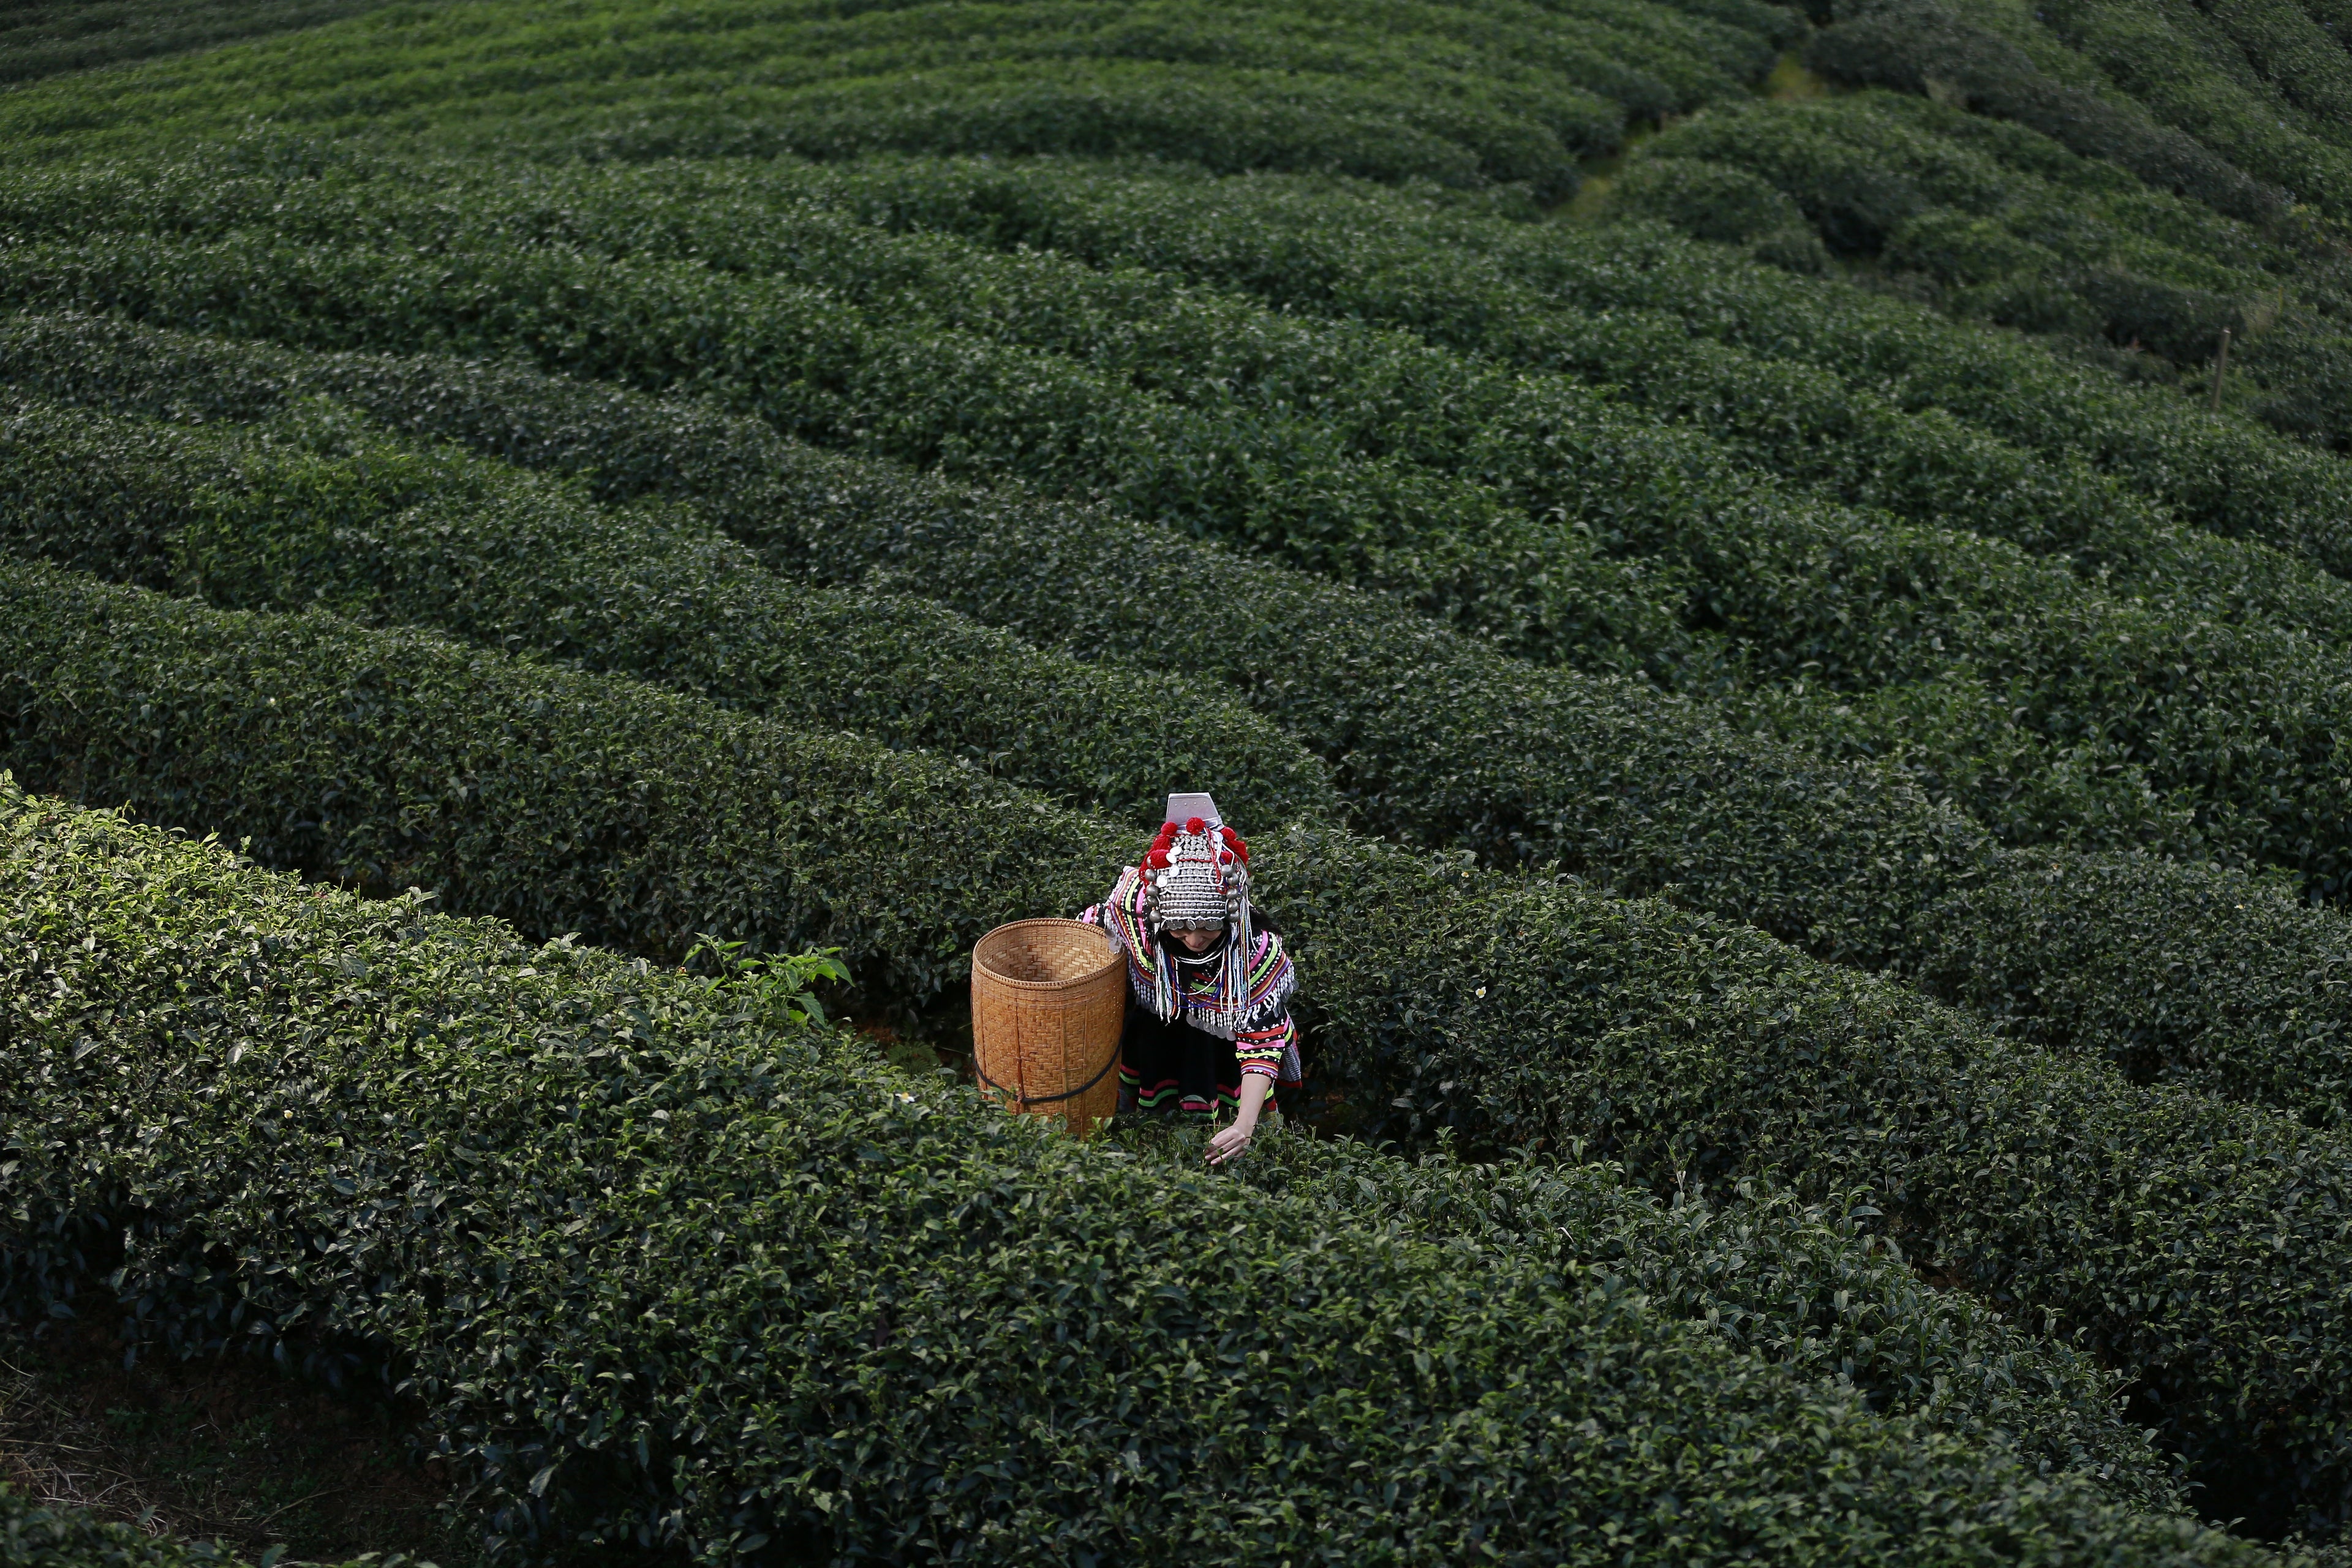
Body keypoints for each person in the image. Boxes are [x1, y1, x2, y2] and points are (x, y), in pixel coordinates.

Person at [1078, 792, 1303, 1165]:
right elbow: (1089, 931)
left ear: (1233, 916)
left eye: (1209, 929)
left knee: (1228, 1115)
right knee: (1148, 1123)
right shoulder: (1138, 920)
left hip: (1223, 1046)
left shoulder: (1255, 953)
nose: (1195, 941)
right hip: (1157, 1031)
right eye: (1179, 931)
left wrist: (1245, 1125)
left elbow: (1262, 1041)